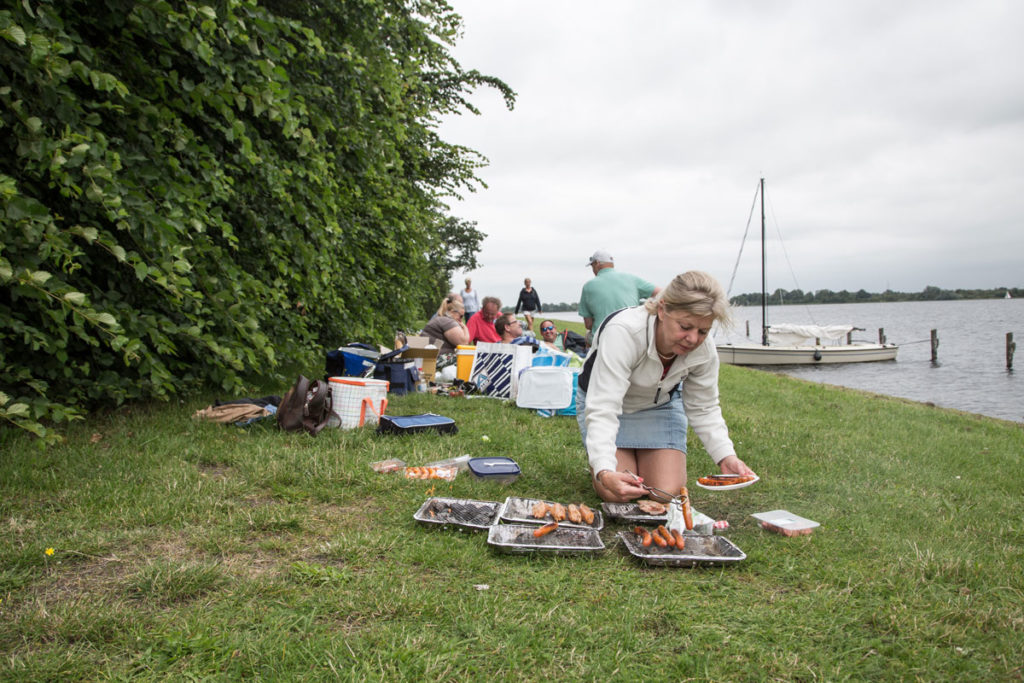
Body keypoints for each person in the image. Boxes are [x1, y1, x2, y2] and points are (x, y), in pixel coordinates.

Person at [575, 270, 755, 503]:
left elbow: (704, 407)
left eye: (703, 331)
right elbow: (603, 407)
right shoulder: (624, 332)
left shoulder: (704, 349)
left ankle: (641, 460)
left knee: (664, 493)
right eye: (685, 326)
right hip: (610, 407)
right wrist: (604, 471)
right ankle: (607, 463)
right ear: (662, 309)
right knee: (615, 494)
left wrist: (725, 456)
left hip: (659, 407)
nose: (693, 339)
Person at [578, 250, 661, 342]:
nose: (593, 270)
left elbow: (588, 325)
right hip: (632, 337)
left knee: (587, 336)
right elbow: (661, 293)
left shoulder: (588, 286)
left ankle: (591, 355)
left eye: (592, 266)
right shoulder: (632, 279)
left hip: (602, 340)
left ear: (597, 263)